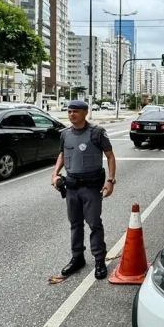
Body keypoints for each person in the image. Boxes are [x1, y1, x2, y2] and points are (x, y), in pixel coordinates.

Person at [51, 100, 117, 279]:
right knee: (75, 224)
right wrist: (55, 173)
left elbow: (110, 156)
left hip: (91, 187)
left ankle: (99, 260)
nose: (72, 114)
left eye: (76, 112)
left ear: (85, 113)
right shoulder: (65, 134)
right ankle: (77, 257)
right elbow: (63, 154)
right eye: (69, 111)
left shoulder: (96, 133)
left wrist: (110, 181)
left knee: (94, 223)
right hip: (72, 187)